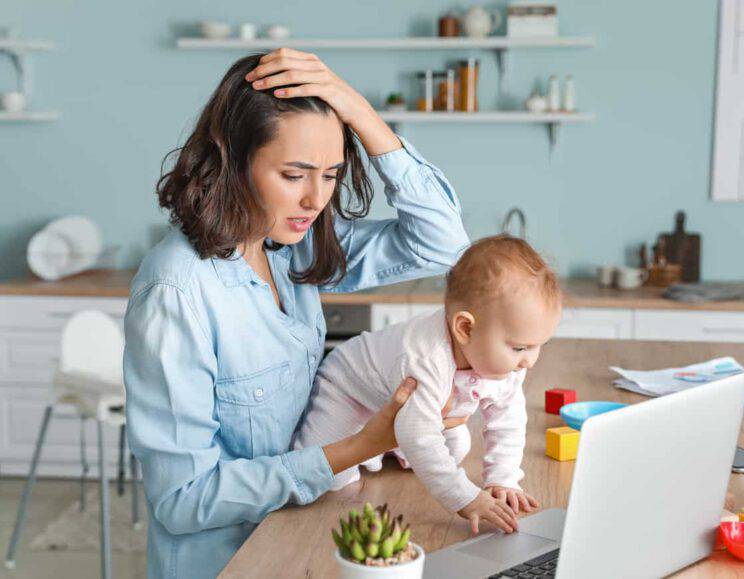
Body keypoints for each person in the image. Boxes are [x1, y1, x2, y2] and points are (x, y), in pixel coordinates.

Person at [123, 48, 470, 578]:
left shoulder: (289, 250)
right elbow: (183, 500)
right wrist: (359, 446)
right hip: (228, 564)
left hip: (303, 534)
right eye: (293, 174)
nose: (316, 199)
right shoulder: (178, 291)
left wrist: (358, 110)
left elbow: (443, 244)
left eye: (330, 175)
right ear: (232, 162)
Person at [295, 235, 563, 534]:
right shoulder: (426, 357)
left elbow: (507, 422)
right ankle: (375, 446)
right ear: (465, 328)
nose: (530, 361)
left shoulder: (509, 365)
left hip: (409, 409)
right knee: (332, 480)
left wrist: (503, 478)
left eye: (539, 345)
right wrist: (466, 498)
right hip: (349, 390)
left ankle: (385, 449)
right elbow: (420, 434)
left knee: (458, 445)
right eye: (519, 348)